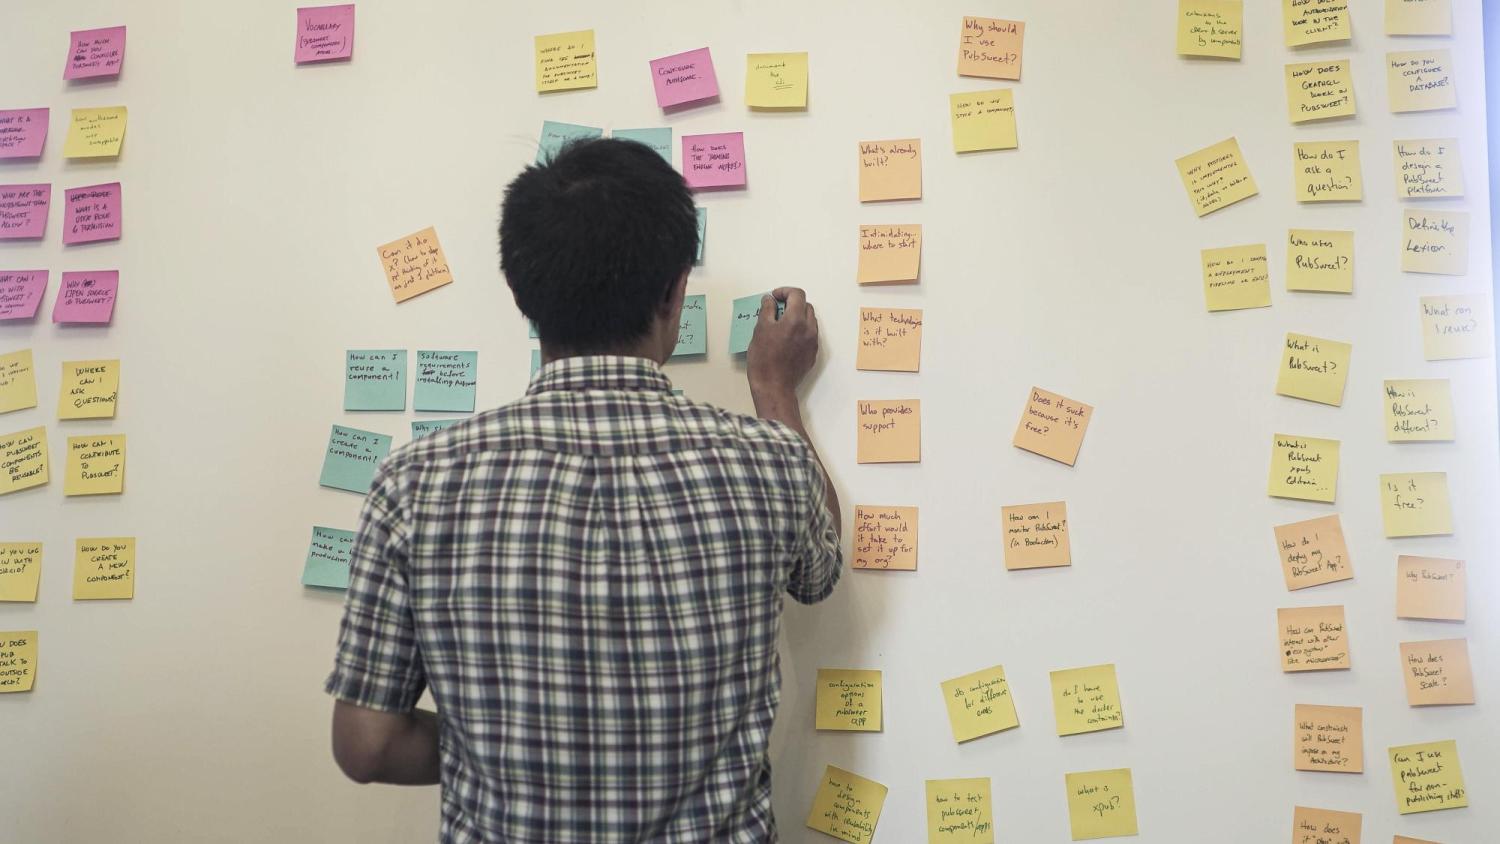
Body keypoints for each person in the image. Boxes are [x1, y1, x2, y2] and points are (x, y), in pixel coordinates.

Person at [326, 137, 843, 842]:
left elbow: (369, 745)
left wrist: (505, 751)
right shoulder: (769, 464)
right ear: (673, 291)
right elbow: (820, 574)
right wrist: (774, 390)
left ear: (521, 292)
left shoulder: (414, 484)